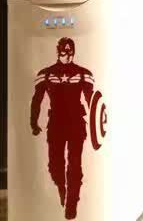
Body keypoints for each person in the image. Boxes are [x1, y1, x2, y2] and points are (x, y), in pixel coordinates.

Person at [31, 37, 97, 219]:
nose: (67, 53)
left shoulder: (83, 74)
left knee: (75, 165)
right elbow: (37, 99)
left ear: (74, 51)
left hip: (76, 124)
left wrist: (98, 126)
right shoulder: (46, 74)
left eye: (70, 49)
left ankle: (71, 205)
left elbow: (92, 102)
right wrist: (33, 122)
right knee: (55, 166)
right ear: (58, 50)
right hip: (56, 125)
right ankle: (61, 188)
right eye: (64, 49)